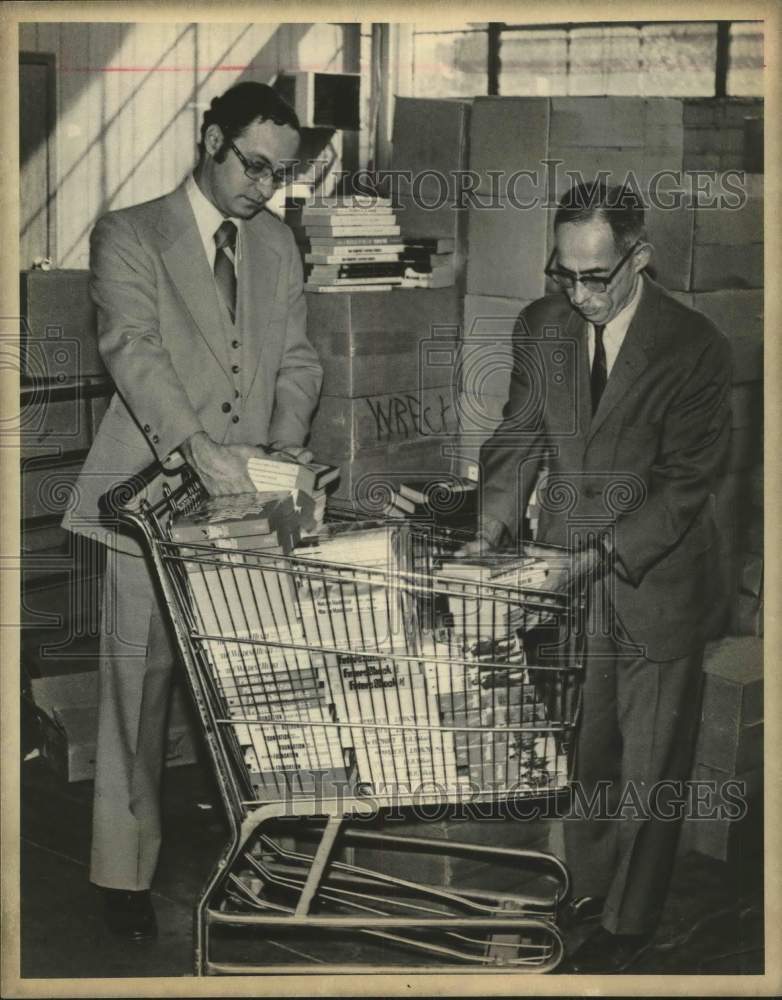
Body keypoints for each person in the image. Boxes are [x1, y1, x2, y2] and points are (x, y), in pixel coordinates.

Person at [62, 82, 323, 941]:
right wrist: (195, 449)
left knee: (256, 682)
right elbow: (130, 350)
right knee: (139, 690)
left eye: (280, 174)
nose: (265, 187)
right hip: (150, 496)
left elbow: (297, 360)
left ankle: (265, 850)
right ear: (209, 139)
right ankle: (123, 874)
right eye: (254, 165)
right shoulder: (129, 233)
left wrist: (281, 450)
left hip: (247, 505)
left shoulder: (280, 243)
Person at [470, 180, 732, 972]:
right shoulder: (541, 328)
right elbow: (517, 444)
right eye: (565, 273)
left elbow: (688, 482)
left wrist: (590, 560)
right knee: (584, 750)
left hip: (654, 582)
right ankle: (585, 888)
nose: (579, 293)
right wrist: (487, 539)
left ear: (638, 258)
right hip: (563, 579)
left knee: (651, 763)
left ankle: (629, 924)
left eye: (596, 277)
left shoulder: (694, 346)